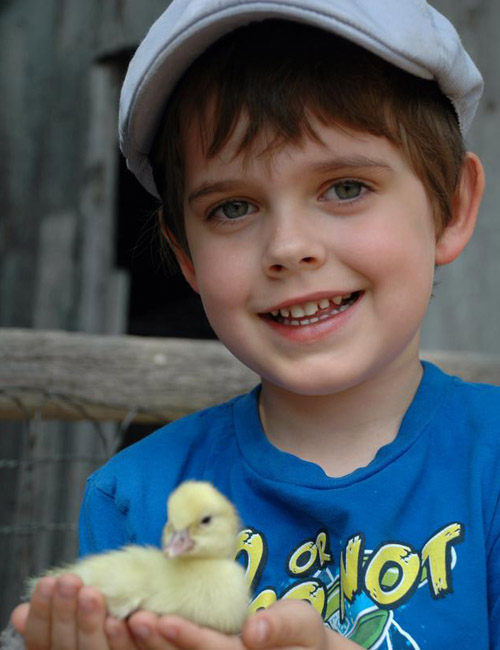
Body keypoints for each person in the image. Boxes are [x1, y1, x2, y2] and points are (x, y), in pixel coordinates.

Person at [10, 0, 496, 648]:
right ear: (186, 255)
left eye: (345, 187)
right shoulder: (133, 496)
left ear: (452, 207)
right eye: (233, 207)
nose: (288, 246)